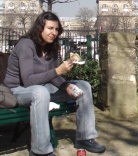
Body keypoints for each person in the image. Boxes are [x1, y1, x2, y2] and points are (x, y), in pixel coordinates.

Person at [4, 12, 106, 156]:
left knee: (83, 86)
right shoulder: (26, 44)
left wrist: (66, 86)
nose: (54, 33)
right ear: (40, 28)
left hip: (42, 88)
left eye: (56, 29)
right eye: (50, 28)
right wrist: (58, 71)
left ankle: (85, 138)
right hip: (17, 90)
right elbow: (28, 80)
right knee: (40, 92)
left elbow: (52, 77)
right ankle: (40, 151)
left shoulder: (51, 47)